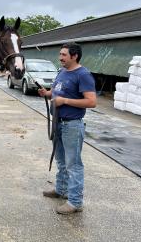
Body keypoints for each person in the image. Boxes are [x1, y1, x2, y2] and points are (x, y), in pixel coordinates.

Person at [38, 43, 96, 215]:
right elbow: (57, 91)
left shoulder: (83, 75)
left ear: (74, 56)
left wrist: (65, 101)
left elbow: (92, 102)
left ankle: (75, 202)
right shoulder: (62, 72)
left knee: (73, 164)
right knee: (61, 161)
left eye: (63, 55)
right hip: (58, 123)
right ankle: (61, 190)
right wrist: (47, 93)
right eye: (60, 54)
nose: (60, 57)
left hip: (72, 125)